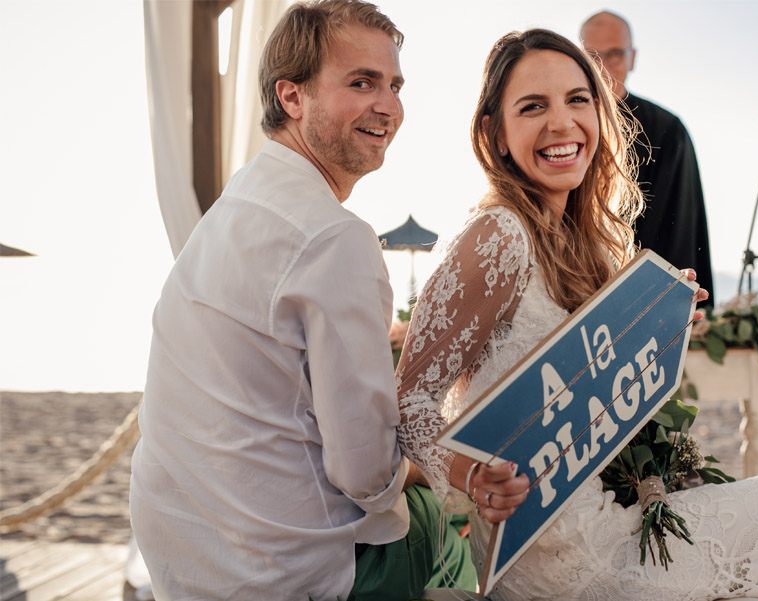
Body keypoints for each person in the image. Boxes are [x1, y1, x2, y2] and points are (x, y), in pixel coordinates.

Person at [395, 28, 758, 600]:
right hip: (557, 556)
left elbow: (596, 400)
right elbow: (407, 399)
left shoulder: (587, 241)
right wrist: (473, 477)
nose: (561, 123)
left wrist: (657, 326)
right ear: (496, 133)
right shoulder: (498, 235)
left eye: (577, 99)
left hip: (610, 523)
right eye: (533, 106)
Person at [129, 2, 521, 599]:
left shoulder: (235, 207)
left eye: (394, 85)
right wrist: (433, 473)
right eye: (361, 82)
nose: (387, 106)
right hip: (289, 573)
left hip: (184, 559)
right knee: (437, 518)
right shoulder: (333, 237)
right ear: (292, 97)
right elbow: (364, 471)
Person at [581, 10, 715, 308]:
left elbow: (683, 225)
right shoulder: (566, 128)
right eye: (592, 56)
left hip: (645, 298)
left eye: (615, 55)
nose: (603, 67)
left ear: (632, 58)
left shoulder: (668, 131)